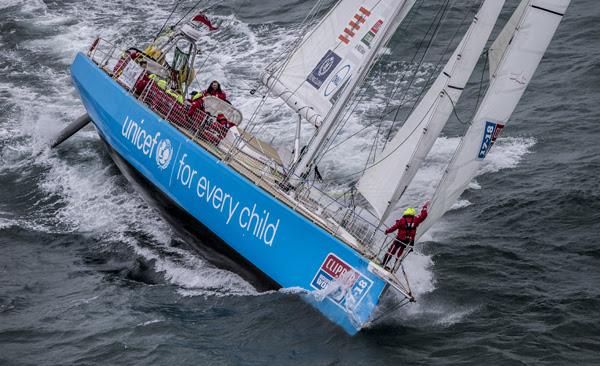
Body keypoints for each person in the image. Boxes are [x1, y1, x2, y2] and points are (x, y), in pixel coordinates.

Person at [382, 202, 428, 270]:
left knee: (391, 251)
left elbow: (393, 228)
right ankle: (394, 268)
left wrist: (387, 231)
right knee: (400, 253)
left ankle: (383, 264)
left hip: (399, 239)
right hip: (408, 241)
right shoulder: (416, 219)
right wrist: (425, 207)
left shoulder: (402, 220)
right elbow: (423, 216)